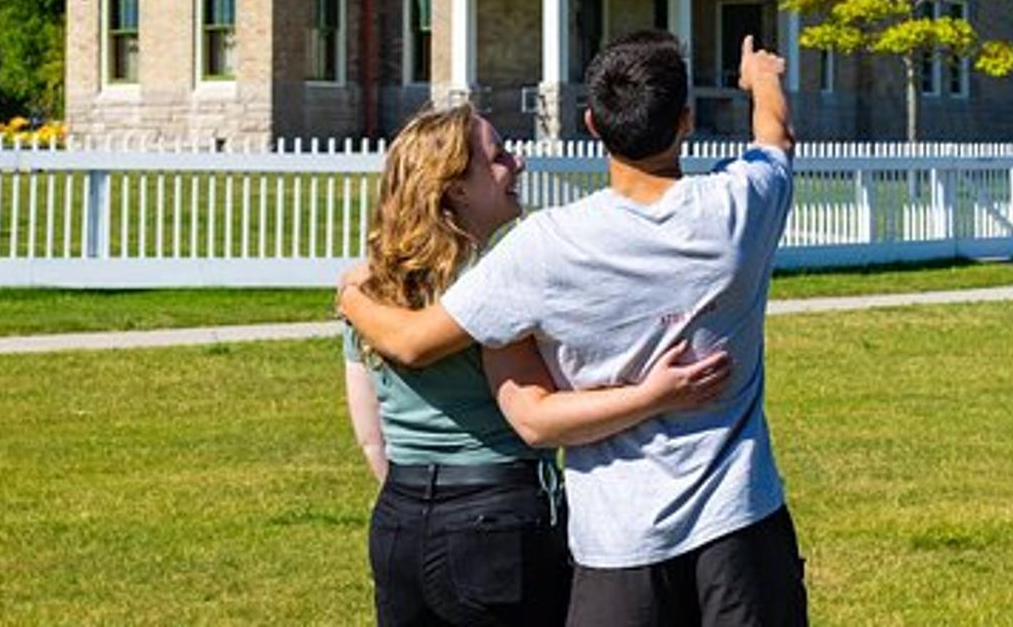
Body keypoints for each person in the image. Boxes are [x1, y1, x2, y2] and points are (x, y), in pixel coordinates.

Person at [342, 31, 809, 627]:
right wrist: (762, 79)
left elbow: (413, 341)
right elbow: (775, 138)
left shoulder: (544, 248)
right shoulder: (739, 207)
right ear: (685, 121)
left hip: (617, 544)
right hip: (741, 524)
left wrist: (352, 299)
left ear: (591, 123)